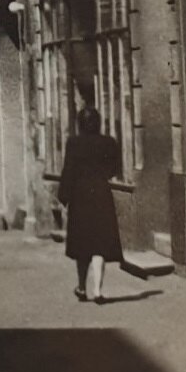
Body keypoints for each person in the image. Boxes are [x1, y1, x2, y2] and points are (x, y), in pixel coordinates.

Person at [58, 105, 123, 304]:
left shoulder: (74, 143)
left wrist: (63, 197)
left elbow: (68, 171)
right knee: (99, 244)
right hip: (102, 195)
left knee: (82, 244)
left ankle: (81, 287)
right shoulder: (109, 143)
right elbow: (114, 169)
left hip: (80, 197)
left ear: (80, 124)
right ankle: (97, 291)